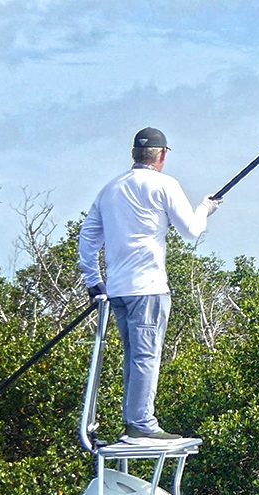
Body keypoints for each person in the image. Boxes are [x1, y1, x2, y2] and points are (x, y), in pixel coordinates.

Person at [77, 127, 221, 442]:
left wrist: (94, 282)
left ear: (135, 154)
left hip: (117, 291)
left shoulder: (110, 189)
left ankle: (134, 420)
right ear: (162, 155)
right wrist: (205, 208)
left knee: (134, 354)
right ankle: (141, 423)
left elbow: (87, 238)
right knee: (145, 355)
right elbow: (192, 230)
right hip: (148, 288)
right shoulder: (165, 185)